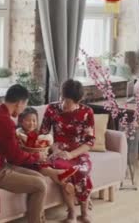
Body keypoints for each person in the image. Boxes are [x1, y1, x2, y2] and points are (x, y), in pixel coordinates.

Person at [0, 84, 48, 223]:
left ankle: (38, 220)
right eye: (25, 106)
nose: (23, 109)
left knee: (39, 177)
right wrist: (36, 157)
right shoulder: (4, 121)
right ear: (19, 103)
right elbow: (16, 157)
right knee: (40, 186)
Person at [40, 79, 95, 223]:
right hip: (58, 153)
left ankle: (84, 212)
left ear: (79, 100)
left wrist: (71, 154)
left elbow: (90, 141)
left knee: (82, 171)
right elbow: (43, 134)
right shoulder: (52, 109)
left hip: (78, 153)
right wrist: (54, 148)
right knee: (66, 174)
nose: (65, 104)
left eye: (69, 102)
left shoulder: (86, 112)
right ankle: (71, 213)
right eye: (63, 99)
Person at [16, 108, 78, 193]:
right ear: (21, 121)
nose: (31, 123)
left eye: (34, 121)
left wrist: (50, 151)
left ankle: (64, 184)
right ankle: (61, 172)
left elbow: (45, 146)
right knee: (41, 166)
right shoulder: (18, 134)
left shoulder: (38, 134)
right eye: (28, 120)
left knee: (47, 163)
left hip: (38, 159)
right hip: (25, 162)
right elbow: (18, 153)